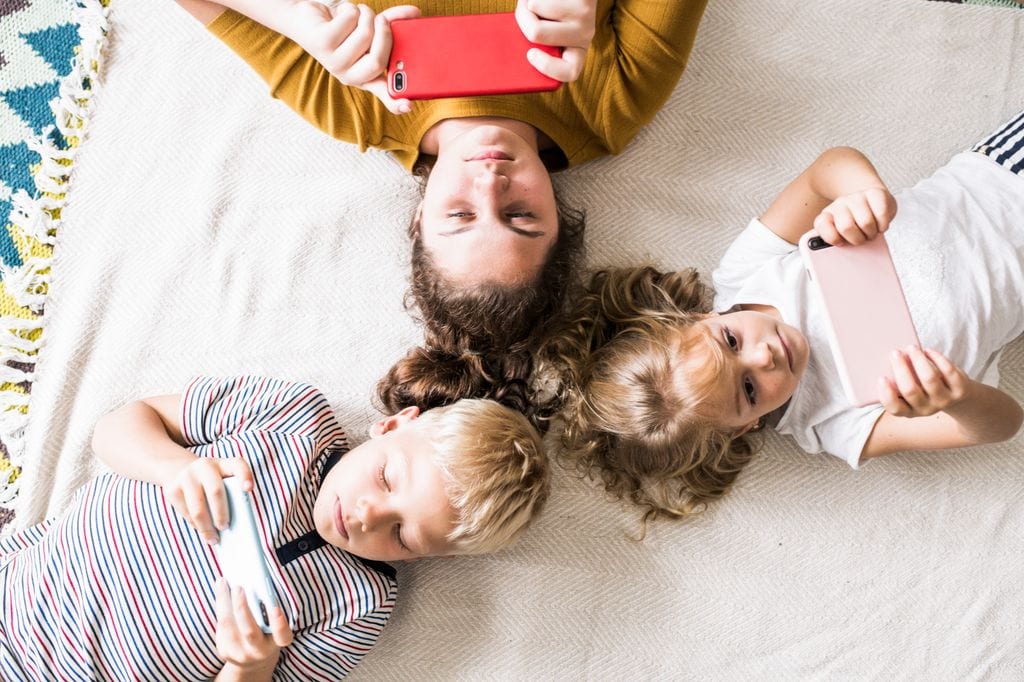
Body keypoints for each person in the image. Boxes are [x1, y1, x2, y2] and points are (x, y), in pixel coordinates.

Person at [174, 0, 708, 415]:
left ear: (417, 218)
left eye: (460, 217)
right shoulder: (612, 101)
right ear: (560, 219)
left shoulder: (350, 101)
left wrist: (298, 19)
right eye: (521, 216)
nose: (490, 182)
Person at [545, 112, 1024, 522]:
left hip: (997, 175)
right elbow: (1000, 425)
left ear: (693, 317)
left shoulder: (745, 273)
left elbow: (827, 171)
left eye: (731, 342)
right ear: (743, 427)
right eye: (749, 390)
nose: (766, 355)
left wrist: (864, 194)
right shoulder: (836, 427)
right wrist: (957, 398)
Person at [0, 375, 548, 680]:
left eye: (402, 534)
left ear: (430, 559)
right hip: (15, 589)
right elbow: (116, 427)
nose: (366, 516)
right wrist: (176, 467)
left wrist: (249, 662)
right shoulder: (290, 418)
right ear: (392, 425)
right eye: (385, 478)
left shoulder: (360, 605)